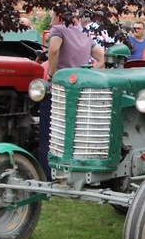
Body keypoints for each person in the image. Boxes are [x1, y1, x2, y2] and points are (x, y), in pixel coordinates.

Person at [39, 10, 105, 180]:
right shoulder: (84, 34)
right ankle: (72, 174)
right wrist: (84, 74)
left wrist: (52, 75)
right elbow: (102, 58)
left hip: (58, 90)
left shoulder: (58, 30)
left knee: (50, 132)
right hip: (78, 90)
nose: (51, 20)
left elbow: (53, 49)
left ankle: (47, 174)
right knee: (73, 133)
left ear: (59, 17)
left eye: (52, 17)